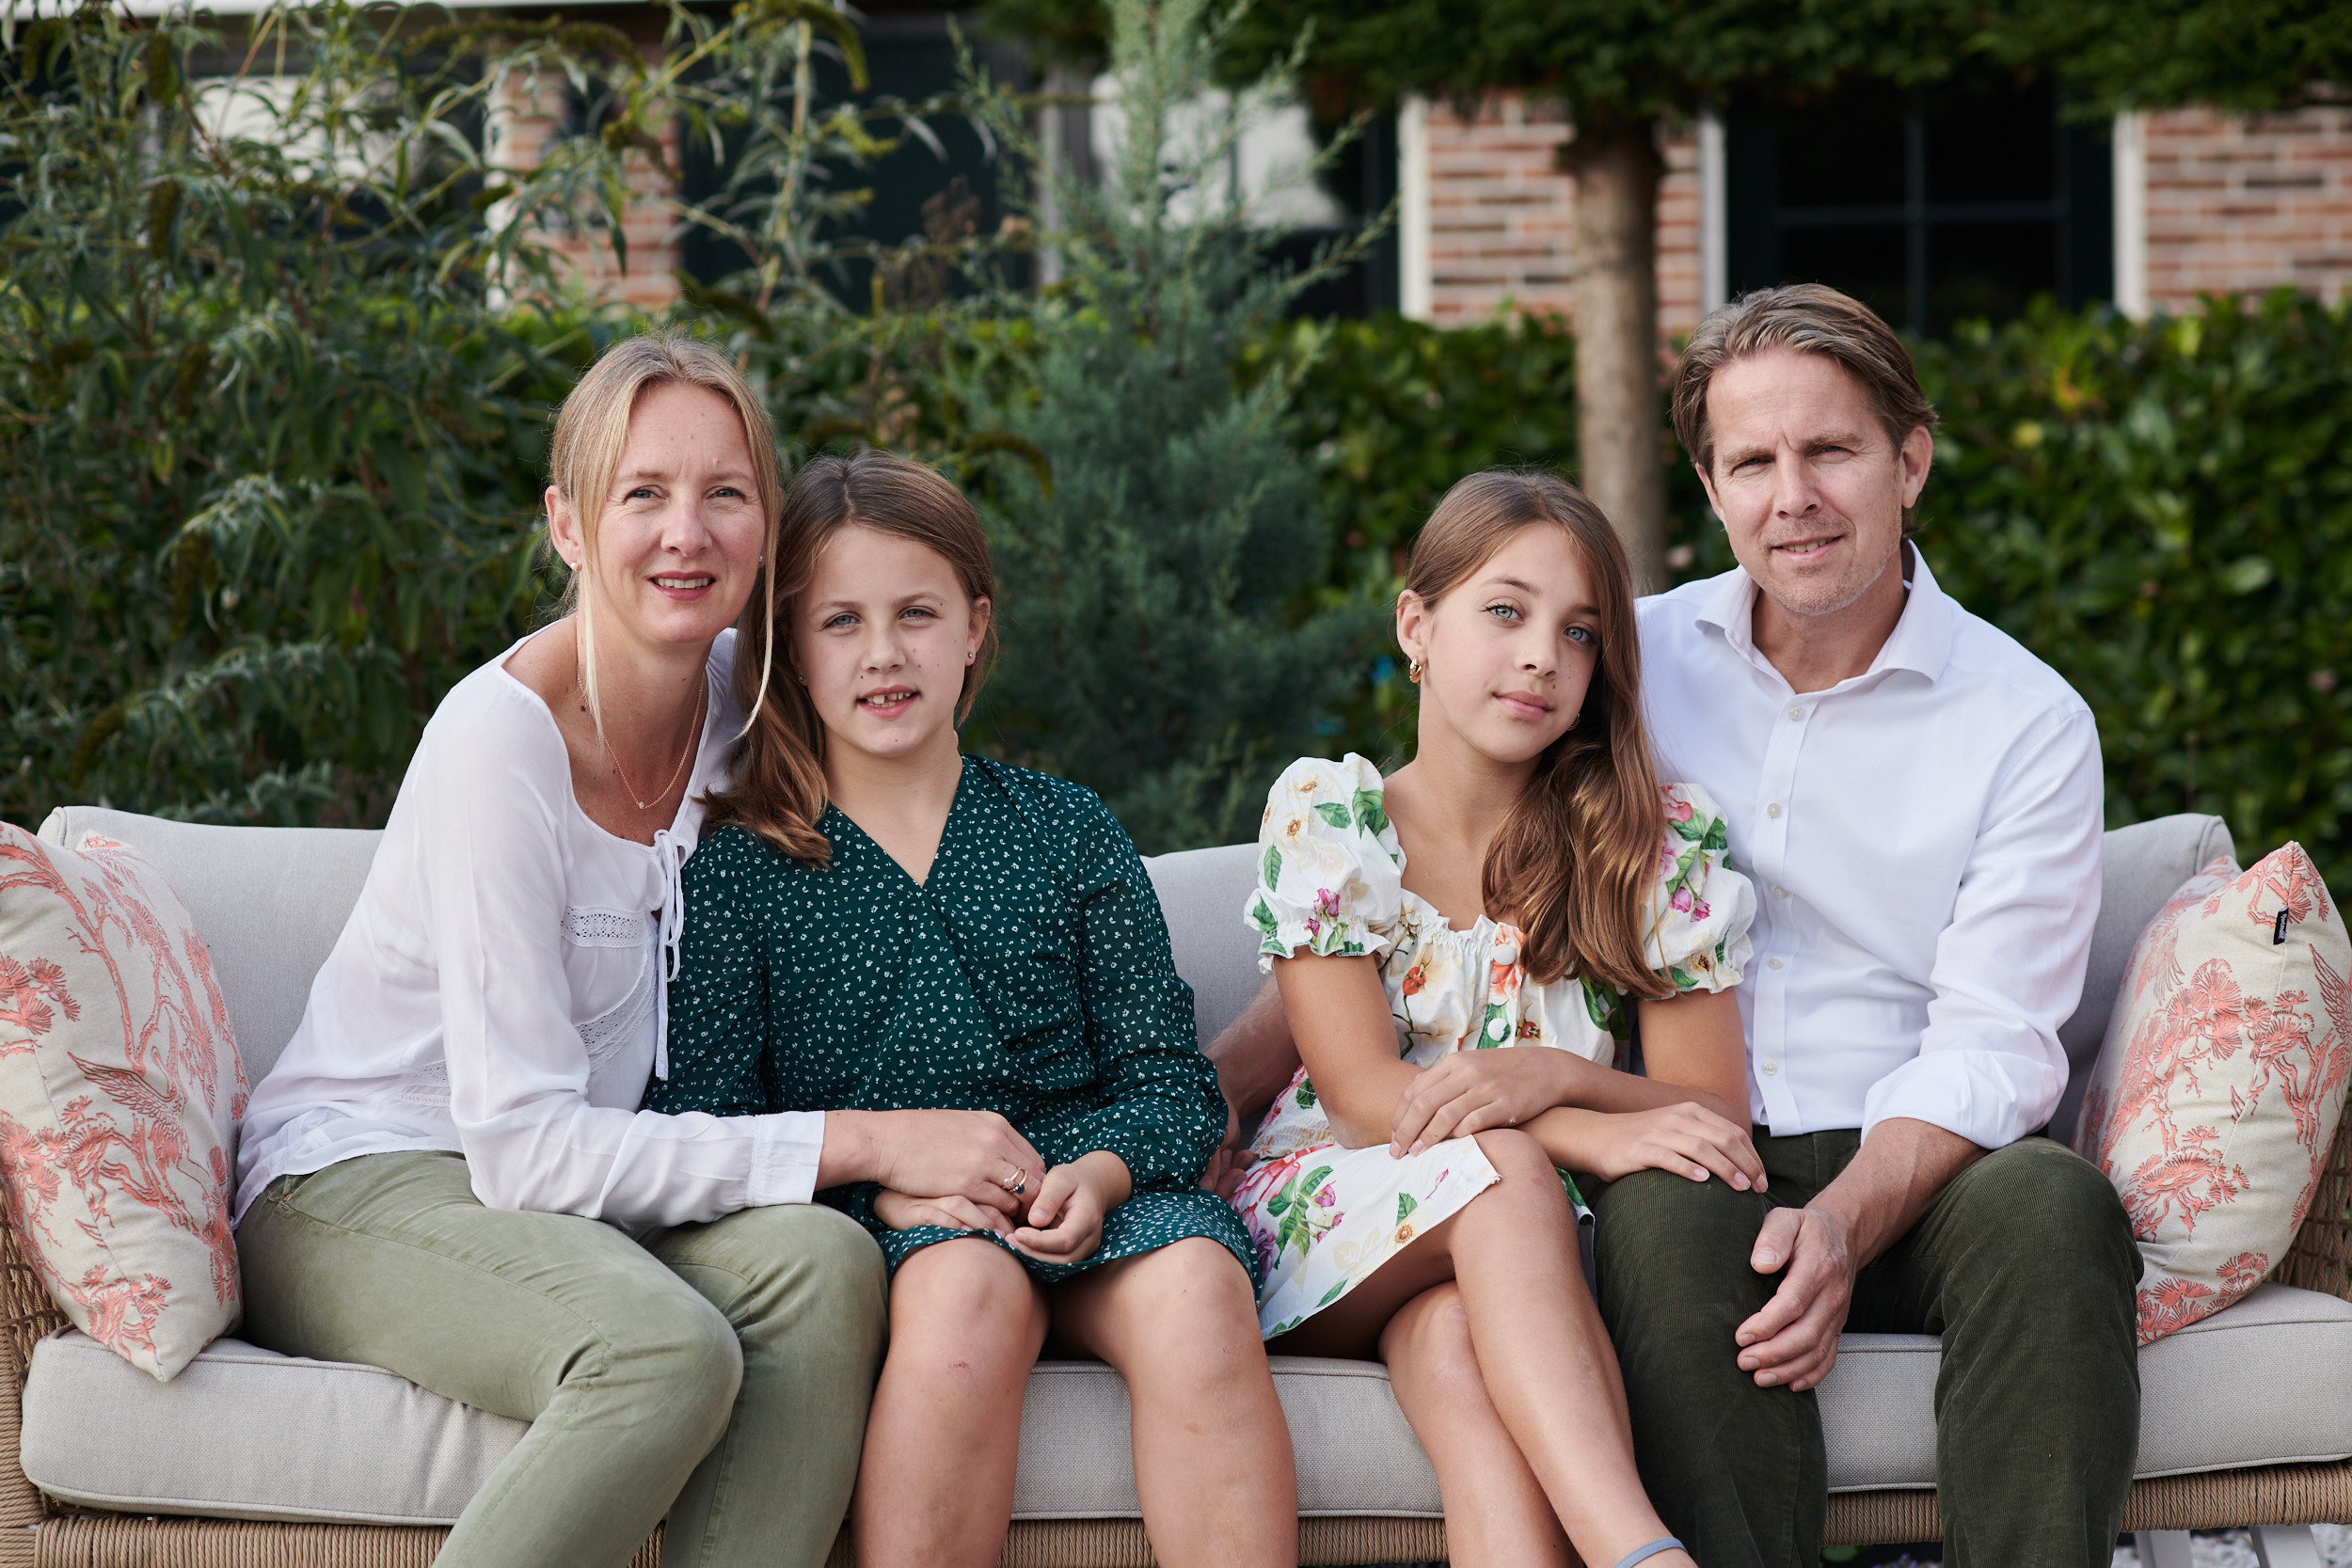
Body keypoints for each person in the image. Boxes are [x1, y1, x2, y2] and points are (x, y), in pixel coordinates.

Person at [232, 335, 967, 1568]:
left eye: (725, 493)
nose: (688, 531)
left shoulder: (758, 703)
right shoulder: (496, 746)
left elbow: (943, 852)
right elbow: (521, 1144)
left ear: (768, 525)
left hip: (589, 1185)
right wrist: (867, 1137)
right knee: (659, 1348)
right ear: (569, 525)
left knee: (826, 1262)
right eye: (644, 493)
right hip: (362, 1177)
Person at [645, 451, 1297, 1568]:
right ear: (791, 651)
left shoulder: (1067, 829)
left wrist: (1093, 1178)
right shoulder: (739, 872)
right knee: (965, 1286)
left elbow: (1169, 1083)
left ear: (974, 625)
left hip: (1096, 1200)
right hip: (889, 1224)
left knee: (1197, 1282)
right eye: (840, 621)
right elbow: (705, 1126)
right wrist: (889, 1188)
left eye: (916, 612)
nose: (884, 651)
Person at [1588, 283, 2140, 1568]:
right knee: (1662, 1221)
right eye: (1753, 461)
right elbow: (1446, 853)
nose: (1795, 496)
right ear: (1711, 487)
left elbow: (1999, 1037)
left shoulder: (2026, 717)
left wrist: (1841, 1215)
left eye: (1829, 449)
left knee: (2058, 1205)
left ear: (1910, 459)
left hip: (1925, 1154)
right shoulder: (1629, 660)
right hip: (1692, 1133)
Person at [1227, 469, 1761, 1568]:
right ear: (1415, 625)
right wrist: (1569, 1128)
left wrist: (1548, 1081)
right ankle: (1642, 1550)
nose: (1541, 657)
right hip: (1327, 1201)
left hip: (1508, 1265)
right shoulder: (1336, 818)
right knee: (1506, 1170)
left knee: (1462, 1359)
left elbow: (1709, 1112)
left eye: (1578, 633)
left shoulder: (1643, 843)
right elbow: (1362, 1096)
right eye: (1505, 612)